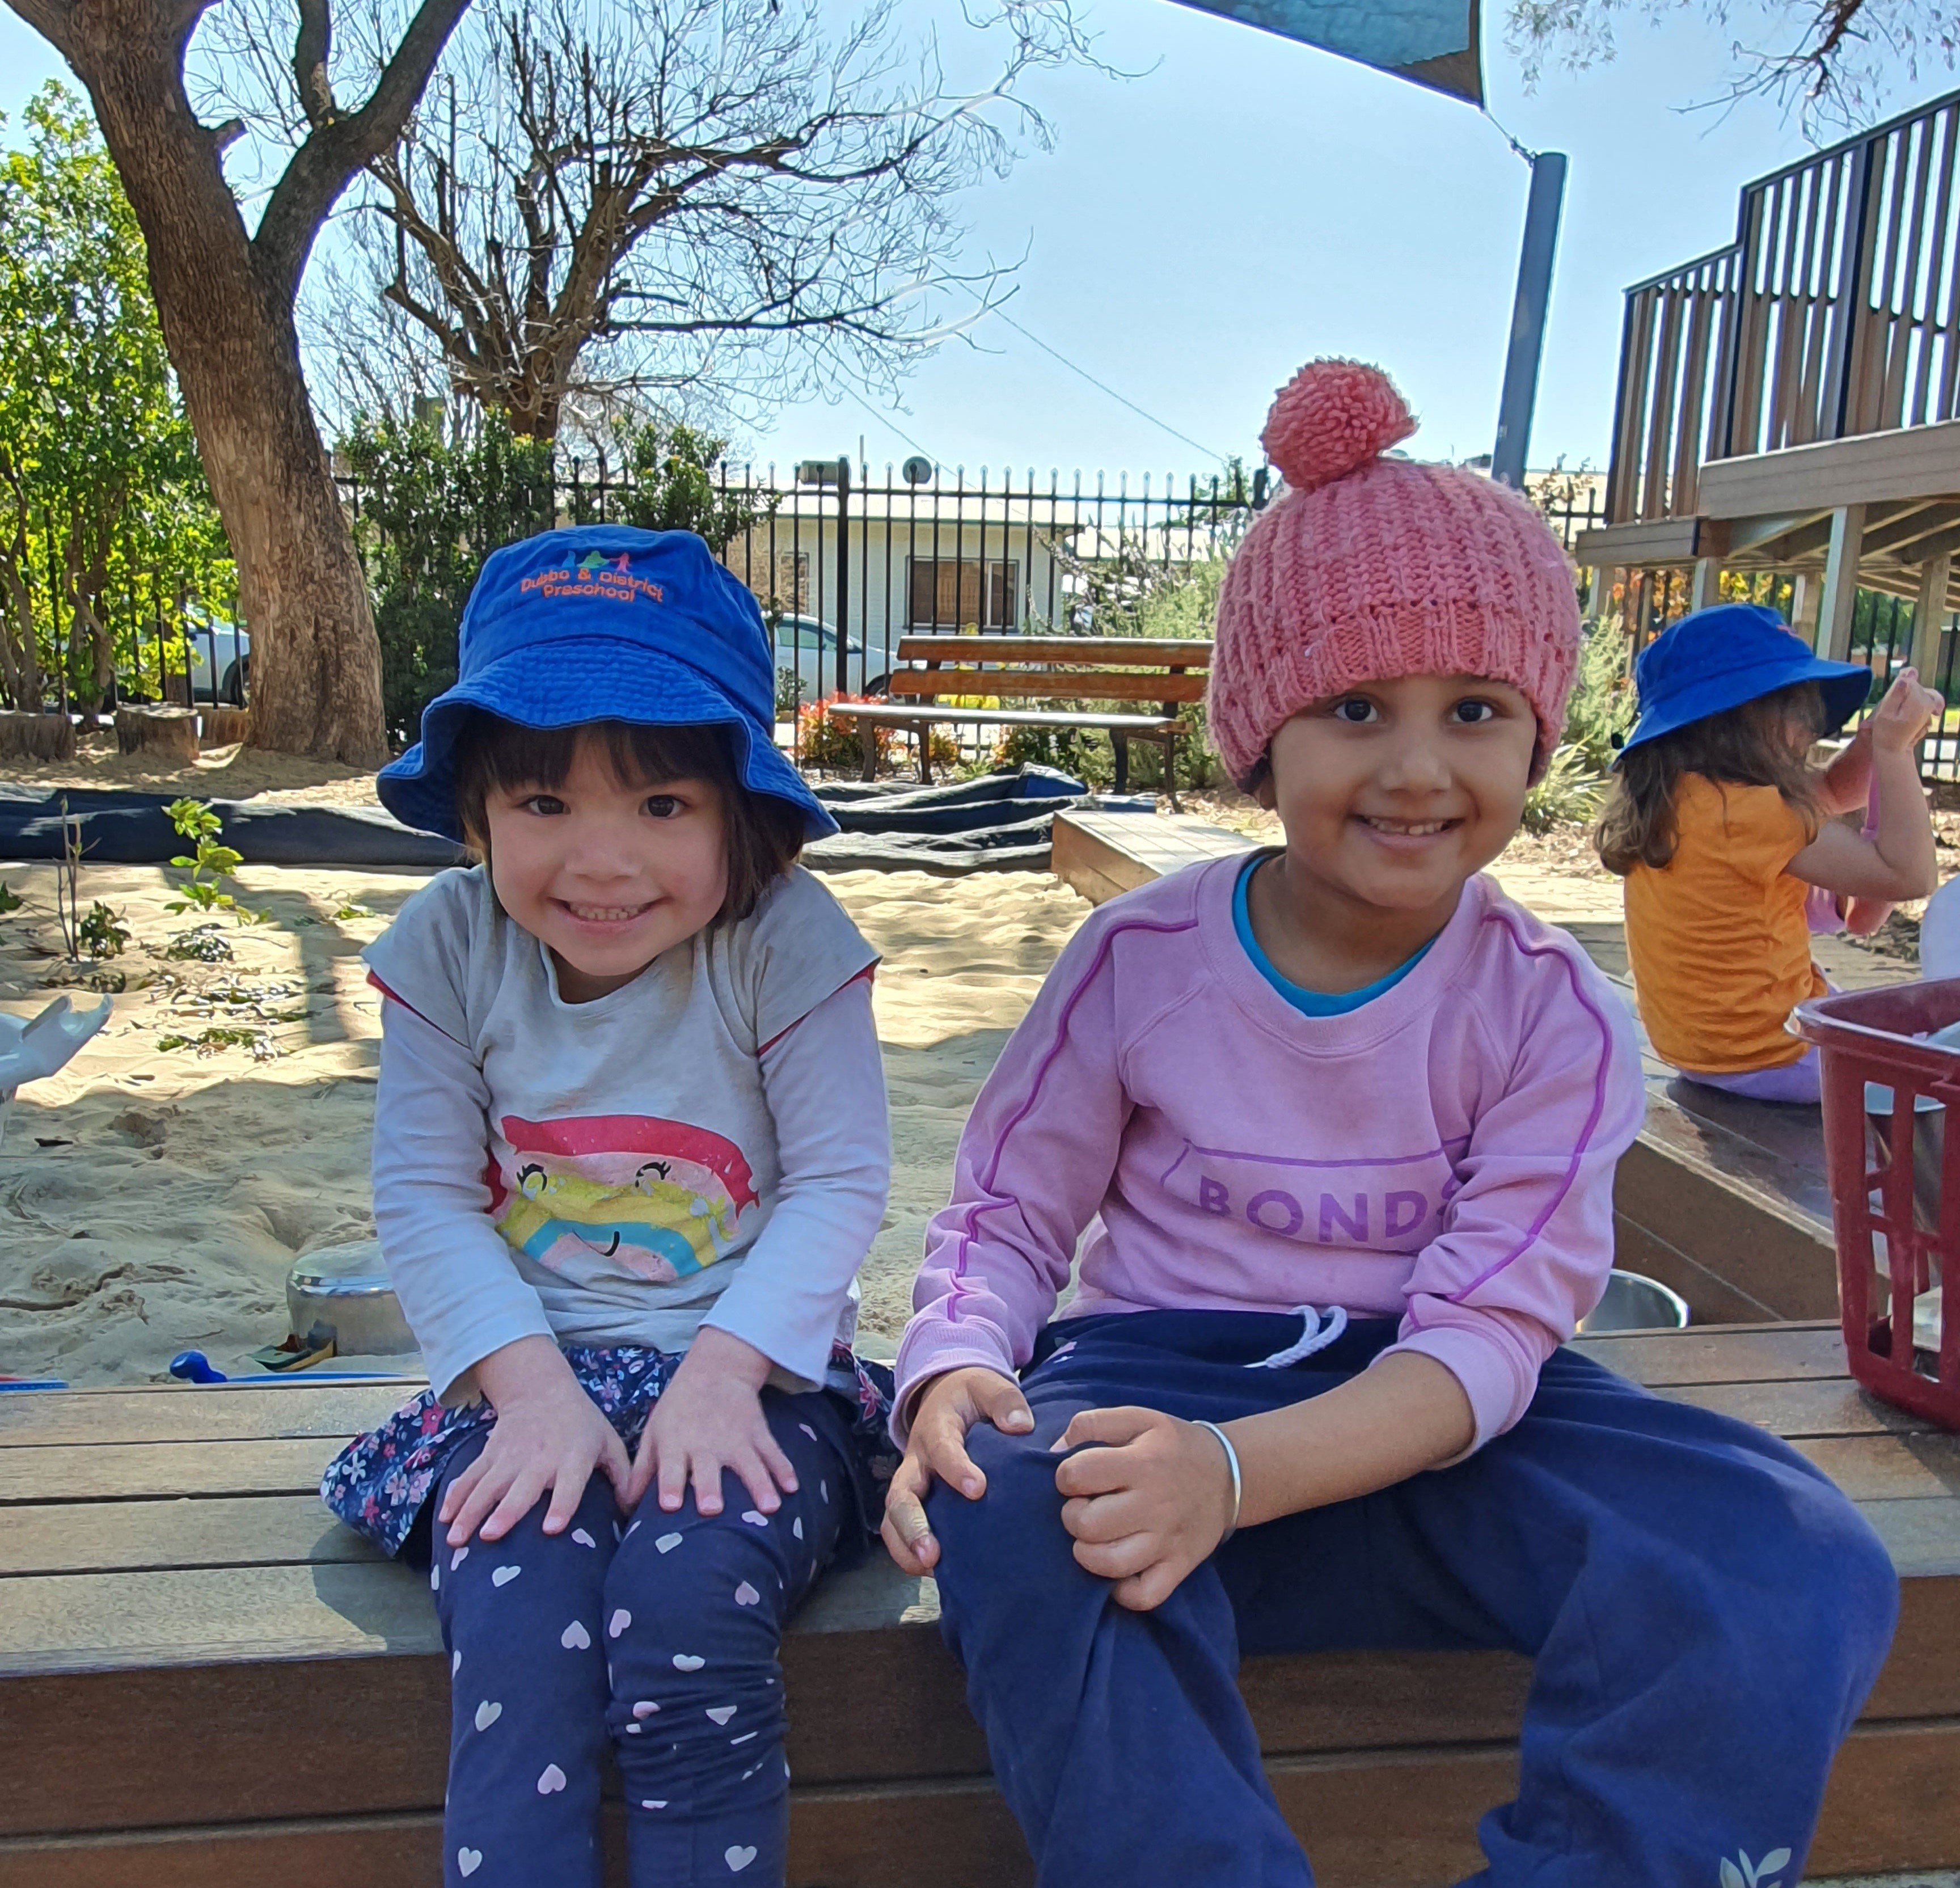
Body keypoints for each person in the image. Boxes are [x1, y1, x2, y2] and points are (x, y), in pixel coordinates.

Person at [878, 361, 1899, 1888]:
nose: (1418, 767)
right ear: (1260, 736)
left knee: (1795, 1549)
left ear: (1536, 742)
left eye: (1476, 711)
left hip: (1447, 1414)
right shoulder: (1139, 960)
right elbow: (1009, 1218)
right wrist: (956, 1361)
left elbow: (1488, 1342)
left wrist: (1242, 1480)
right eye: (1356, 708)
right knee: (1010, 1511)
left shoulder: (1552, 1009)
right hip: (1165, 1389)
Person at [320, 525, 894, 1888]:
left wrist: (722, 1376)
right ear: (475, 805)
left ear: (738, 807)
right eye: (541, 803)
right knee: (520, 1615)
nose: (599, 861)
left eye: (659, 805)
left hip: (752, 1376)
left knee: (686, 1608)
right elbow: (421, 1191)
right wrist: (525, 1392)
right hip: (525, 1373)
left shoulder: (785, 941)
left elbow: (835, 1181)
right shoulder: (447, 948)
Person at [1596, 602, 1942, 1104]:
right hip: (1775, 1054)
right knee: (1938, 1064)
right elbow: (1909, 875)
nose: (1809, 728)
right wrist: (1893, 752)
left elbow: (1829, 792)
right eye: (1797, 708)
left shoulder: (1689, 796)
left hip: (1701, 1050)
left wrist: (1871, 741)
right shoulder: (1749, 816)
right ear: (1743, 718)